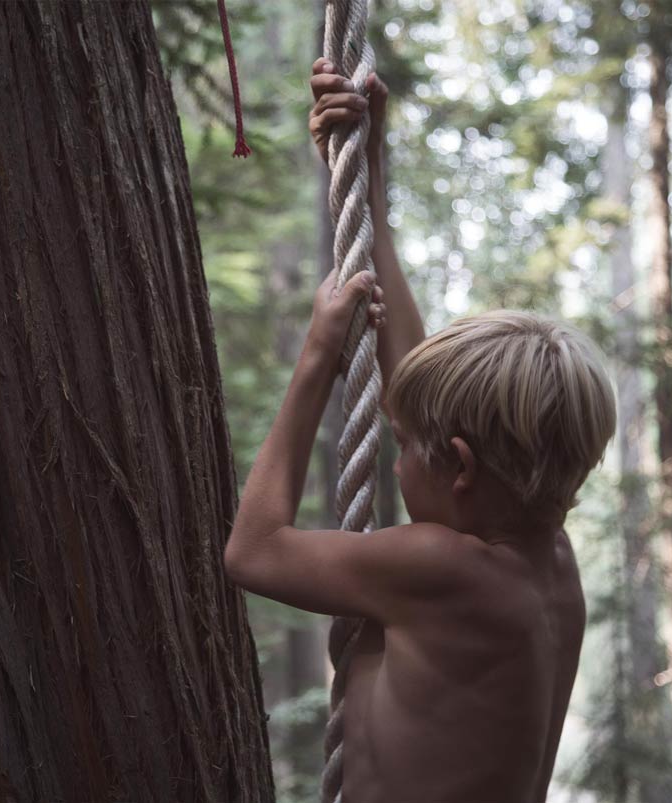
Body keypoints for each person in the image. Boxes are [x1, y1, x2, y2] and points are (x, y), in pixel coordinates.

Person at [224, 57, 617, 803]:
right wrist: (368, 177)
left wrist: (315, 362)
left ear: (459, 467)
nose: (396, 450)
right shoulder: (544, 563)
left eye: (401, 447)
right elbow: (423, 403)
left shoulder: (440, 567)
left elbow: (253, 551)